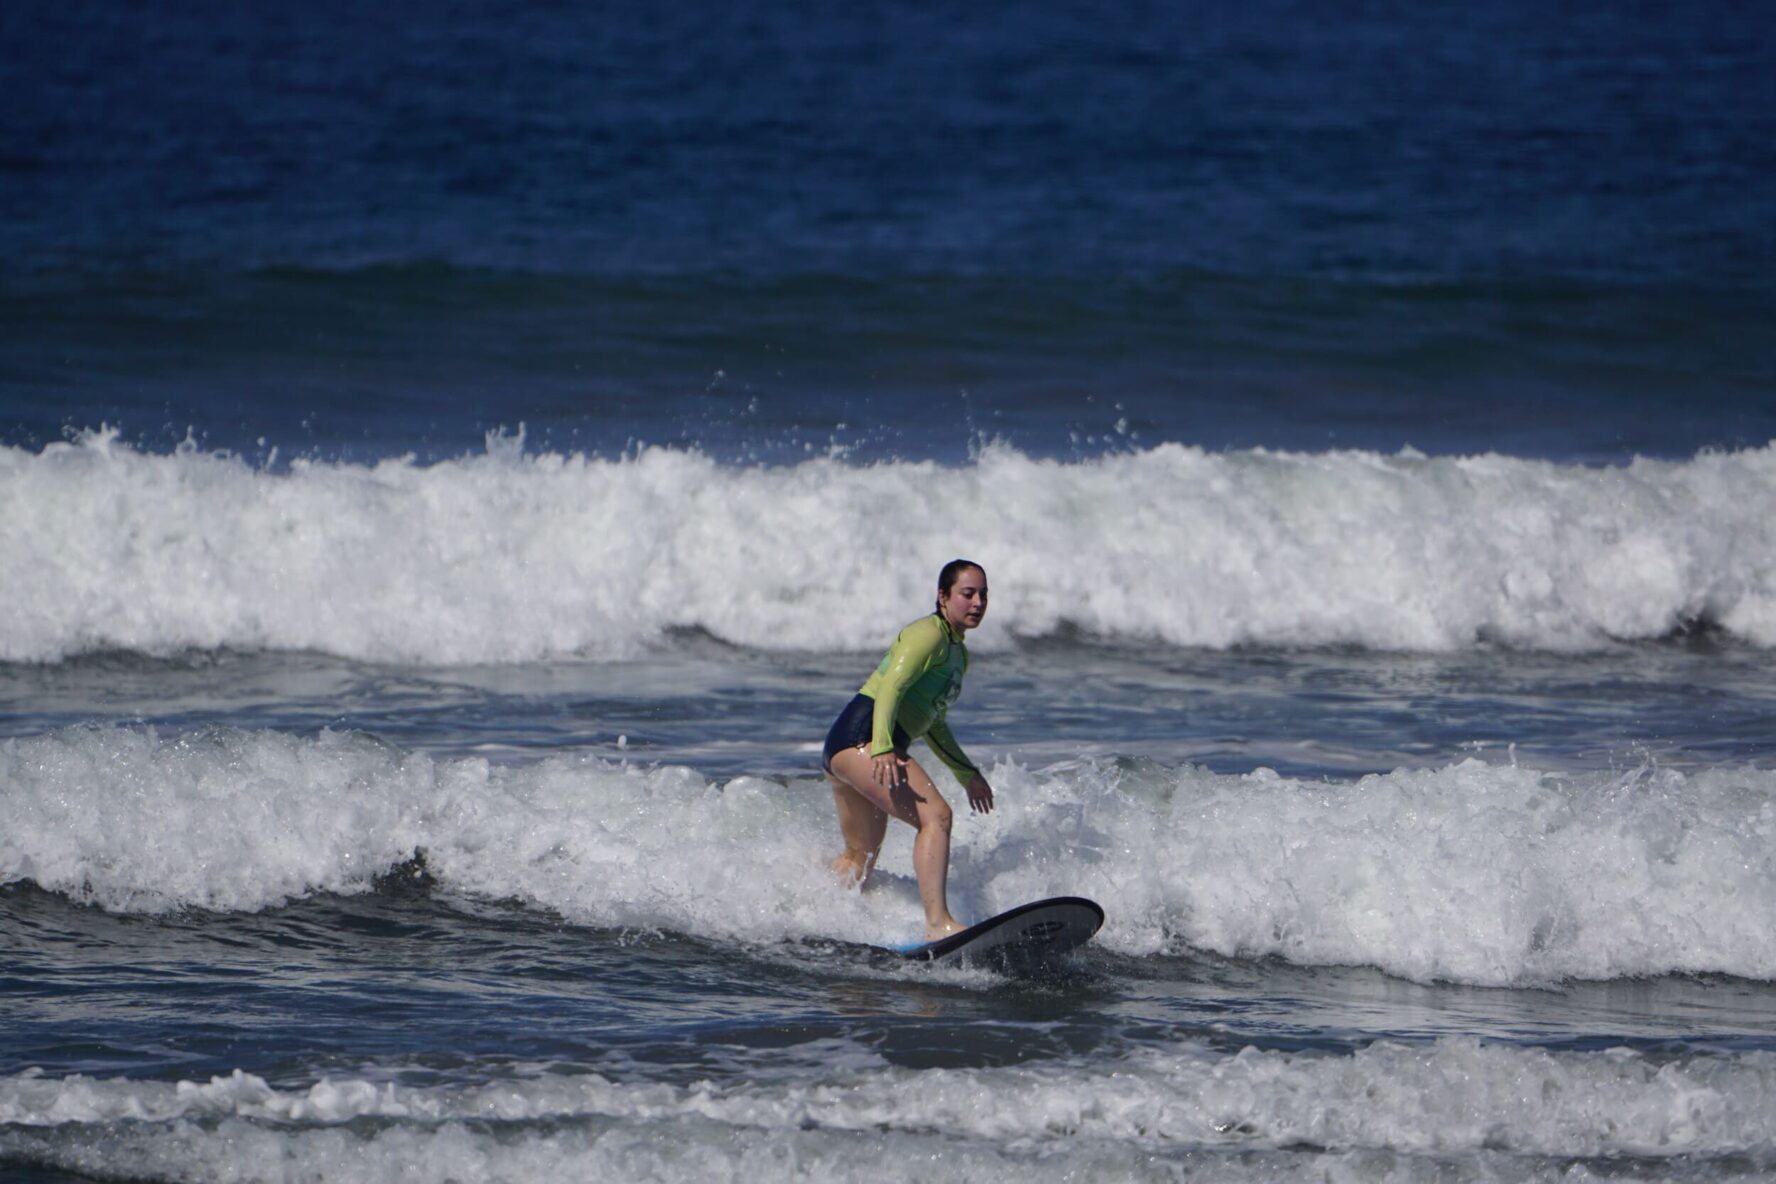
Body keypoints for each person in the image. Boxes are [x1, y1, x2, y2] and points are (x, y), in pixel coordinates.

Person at [821, 559, 995, 940]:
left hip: (849, 745)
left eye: (983, 594)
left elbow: (932, 722)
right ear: (943, 596)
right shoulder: (927, 635)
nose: (978, 602)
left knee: (859, 857)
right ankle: (938, 924)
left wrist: (968, 775)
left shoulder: (956, 653)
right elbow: (891, 688)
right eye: (967, 594)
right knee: (938, 817)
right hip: (862, 738)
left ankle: (814, 915)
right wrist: (883, 747)